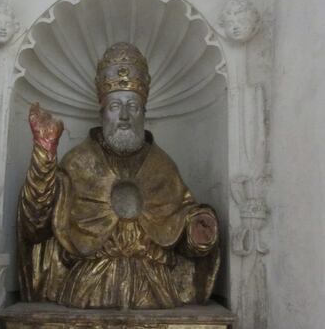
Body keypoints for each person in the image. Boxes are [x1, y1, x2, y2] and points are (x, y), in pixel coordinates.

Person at [17, 42, 220, 309]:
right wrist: (45, 154)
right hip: (89, 288)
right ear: (102, 111)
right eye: (115, 106)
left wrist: (198, 229)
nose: (124, 116)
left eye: (133, 106)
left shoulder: (162, 166)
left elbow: (178, 228)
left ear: (144, 113)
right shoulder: (79, 162)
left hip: (157, 290)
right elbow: (36, 225)